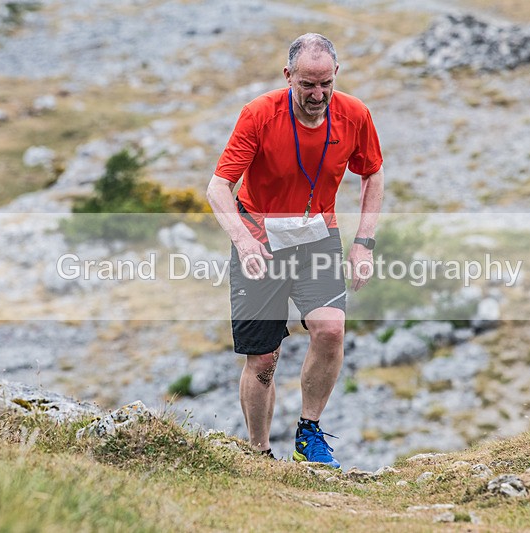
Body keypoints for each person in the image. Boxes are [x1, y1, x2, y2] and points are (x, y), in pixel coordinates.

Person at [206, 33, 384, 468]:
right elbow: (218, 188)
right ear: (289, 77)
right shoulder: (259, 115)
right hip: (259, 237)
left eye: (326, 83)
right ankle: (259, 452)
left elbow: (373, 175)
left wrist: (363, 243)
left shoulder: (355, 115)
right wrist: (244, 241)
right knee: (263, 359)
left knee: (331, 329)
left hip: (316, 234)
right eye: (307, 84)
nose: (318, 94)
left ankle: (309, 434)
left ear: (336, 75)